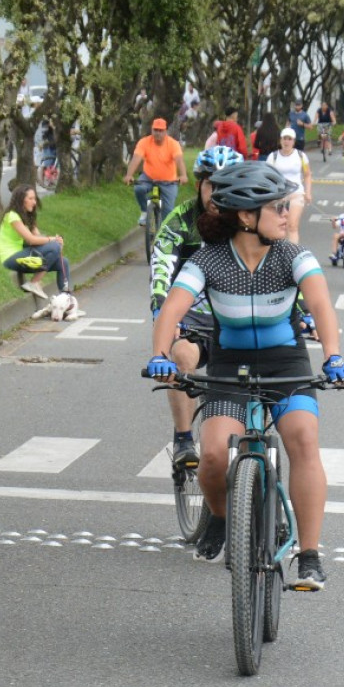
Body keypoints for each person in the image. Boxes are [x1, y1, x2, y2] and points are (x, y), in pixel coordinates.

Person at [147, 161, 344, 589]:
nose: (286, 214)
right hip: (230, 367)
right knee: (210, 456)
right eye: (277, 206)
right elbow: (172, 307)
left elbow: (321, 307)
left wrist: (333, 357)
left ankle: (310, 556)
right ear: (247, 217)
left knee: (302, 437)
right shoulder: (209, 261)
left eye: (286, 205)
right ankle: (225, 519)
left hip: (286, 364)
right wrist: (160, 354)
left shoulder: (293, 255)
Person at [149, 146, 245, 468]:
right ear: (199, 185)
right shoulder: (180, 221)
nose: (217, 194)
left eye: (226, 185)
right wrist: (162, 312)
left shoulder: (250, 221)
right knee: (181, 356)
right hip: (192, 319)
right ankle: (184, 438)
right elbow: (161, 268)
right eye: (210, 185)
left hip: (240, 320)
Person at [0, 184, 70, 297]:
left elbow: (38, 237)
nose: (34, 202)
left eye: (35, 198)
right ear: (21, 200)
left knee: (63, 262)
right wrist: (52, 240)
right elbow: (31, 240)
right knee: (54, 246)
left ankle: (67, 301)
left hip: (25, 257)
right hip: (11, 257)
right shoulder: (12, 216)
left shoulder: (27, 216)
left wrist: (56, 241)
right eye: (30, 199)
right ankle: (34, 282)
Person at [123, 117, 187, 226]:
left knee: (168, 213)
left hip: (169, 182)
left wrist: (183, 175)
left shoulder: (173, 144)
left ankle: (162, 236)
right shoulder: (144, 142)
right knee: (139, 188)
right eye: (155, 130)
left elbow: (179, 160)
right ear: (152, 130)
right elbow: (136, 159)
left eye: (161, 130)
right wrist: (129, 175)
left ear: (165, 131)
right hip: (148, 177)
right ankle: (144, 211)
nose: (158, 133)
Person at [266, 127, 312, 244]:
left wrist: (308, 192)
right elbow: (267, 176)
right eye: (284, 139)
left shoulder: (301, 156)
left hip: (296, 194)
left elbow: (307, 175)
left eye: (289, 139)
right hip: (278, 195)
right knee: (279, 226)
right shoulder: (273, 156)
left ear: (293, 141)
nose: (286, 142)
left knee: (292, 226)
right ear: (280, 140)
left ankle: (292, 254)